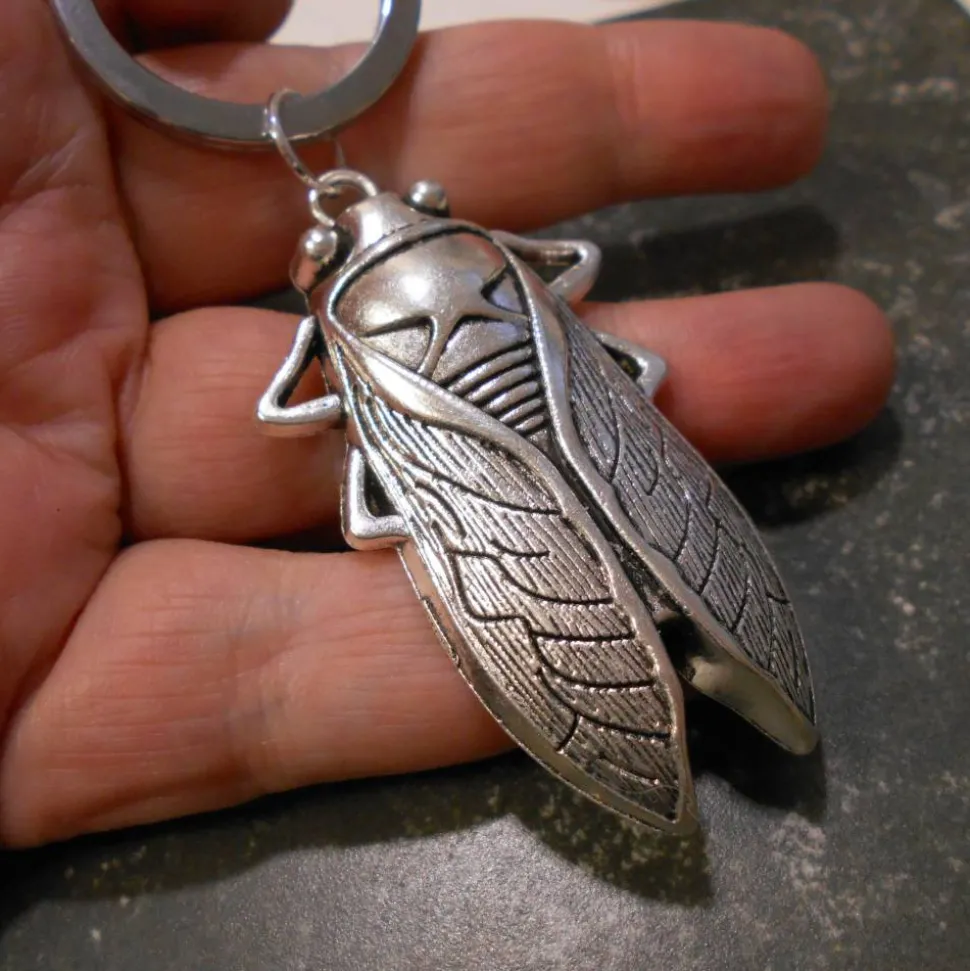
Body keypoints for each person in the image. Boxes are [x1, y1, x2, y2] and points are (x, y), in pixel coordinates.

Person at [0, 0, 893, 848]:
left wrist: (347, 393)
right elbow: (584, 269)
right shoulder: (485, 251)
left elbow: (282, 413)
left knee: (383, 514)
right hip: (568, 400)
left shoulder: (337, 322)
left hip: (461, 468)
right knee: (626, 404)